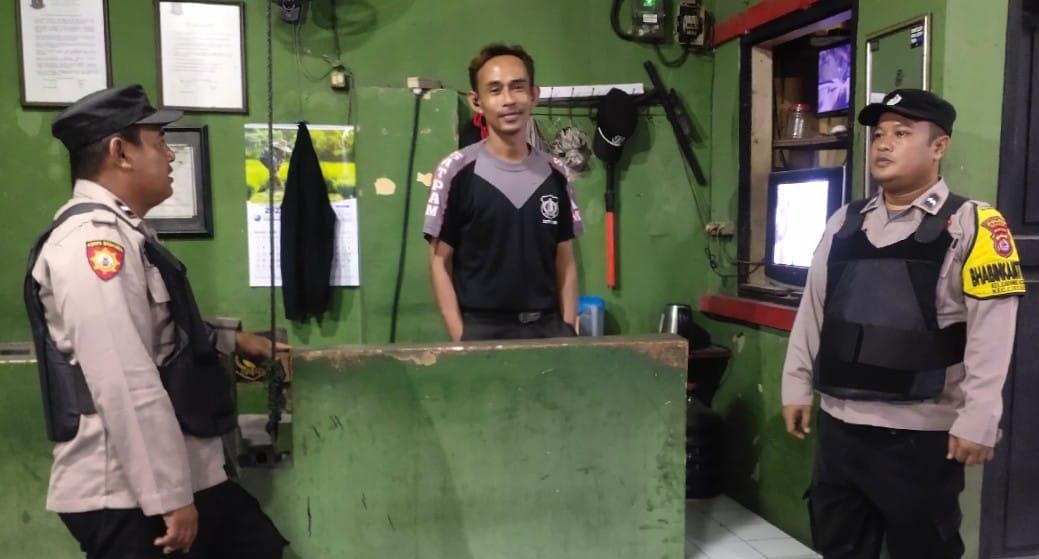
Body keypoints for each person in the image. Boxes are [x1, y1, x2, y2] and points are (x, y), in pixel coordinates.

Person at [25, 84, 289, 558]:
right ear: (120, 151)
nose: (170, 155)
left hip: (180, 471)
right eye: (160, 141)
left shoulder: (127, 232)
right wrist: (168, 496)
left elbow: (157, 327)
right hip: (125, 491)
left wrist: (232, 339)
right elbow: (123, 376)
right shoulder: (92, 244)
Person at [781, 88, 1024, 558]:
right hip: (840, 428)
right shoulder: (844, 222)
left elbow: (993, 332)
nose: (884, 144)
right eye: (879, 134)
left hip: (921, 437)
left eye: (902, 133)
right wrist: (796, 385)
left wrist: (980, 418)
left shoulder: (974, 225)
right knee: (839, 546)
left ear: (939, 146)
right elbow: (813, 310)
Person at [423, 44, 583, 341]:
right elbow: (439, 262)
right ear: (477, 101)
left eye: (518, 87)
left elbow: (565, 260)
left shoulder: (556, 173)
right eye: (495, 90)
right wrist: (462, 336)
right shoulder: (455, 171)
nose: (508, 100)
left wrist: (567, 328)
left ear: (534, 94)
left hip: (548, 331)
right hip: (481, 333)